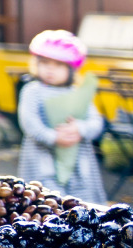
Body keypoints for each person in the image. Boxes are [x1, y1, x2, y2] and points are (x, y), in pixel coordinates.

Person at [17, 30, 106, 203]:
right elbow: (29, 123)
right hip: (42, 158)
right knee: (48, 201)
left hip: (79, 162)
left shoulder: (78, 92)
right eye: (44, 62)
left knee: (83, 202)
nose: (50, 68)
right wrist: (54, 137)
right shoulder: (32, 91)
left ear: (71, 69)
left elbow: (96, 121)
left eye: (58, 65)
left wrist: (80, 128)